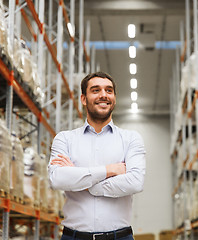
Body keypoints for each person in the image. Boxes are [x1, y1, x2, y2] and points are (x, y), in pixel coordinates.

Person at [48, 72, 146, 240]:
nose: (103, 95)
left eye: (109, 90)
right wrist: (109, 170)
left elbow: (135, 182)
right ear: (84, 99)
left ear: (114, 98)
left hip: (120, 236)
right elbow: (57, 179)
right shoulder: (65, 139)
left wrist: (84, 181)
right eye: (95, 90)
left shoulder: (131, 139)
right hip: (74, 237)